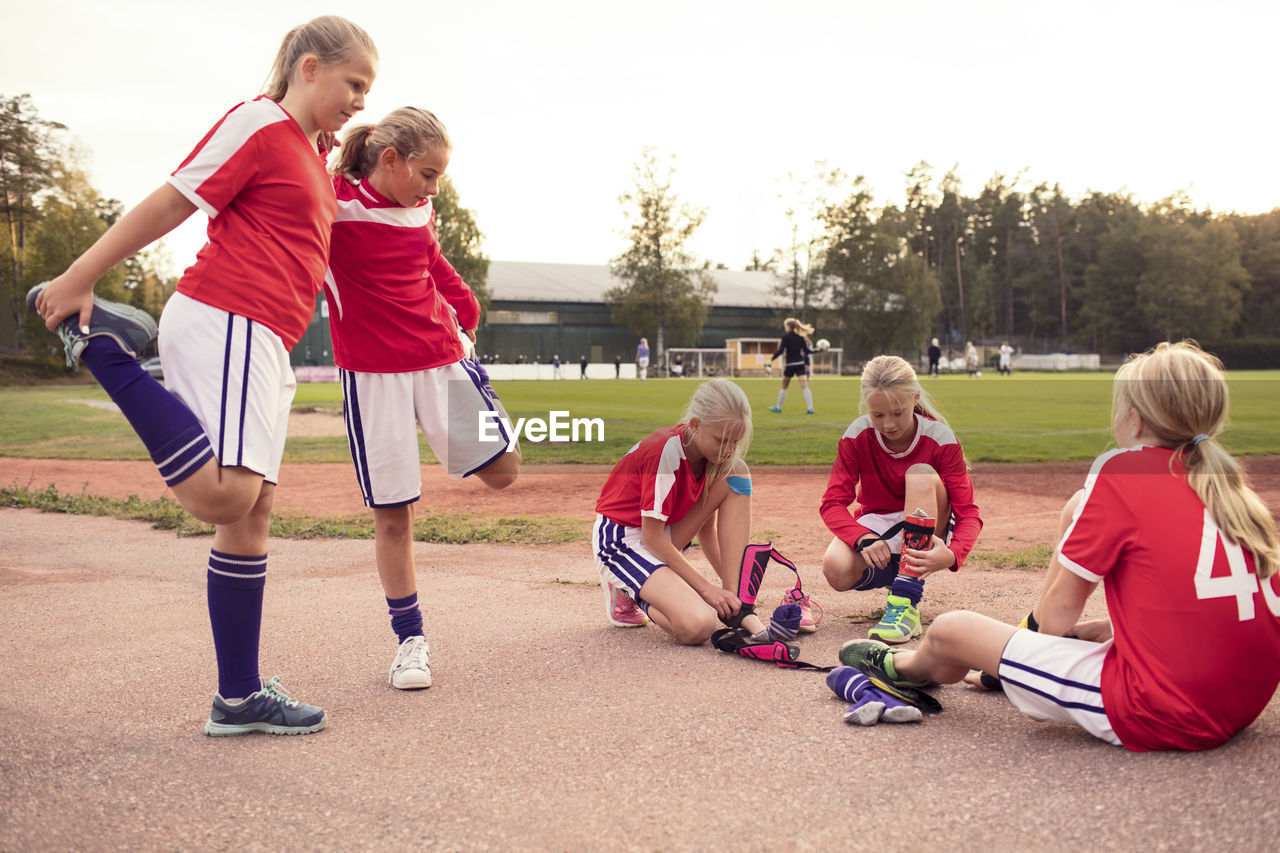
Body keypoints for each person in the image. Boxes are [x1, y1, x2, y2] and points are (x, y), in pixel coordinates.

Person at [27, 16, 378, 735]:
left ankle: (239, 697)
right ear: (309, 67)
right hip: (229, 314)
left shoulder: (309, 149)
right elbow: (171, 200)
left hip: (264, 338)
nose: (360, 101)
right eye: (354, 85)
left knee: (252, 517)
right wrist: (78, 276)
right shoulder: (258, 121)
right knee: (224, 496)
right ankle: (101, 347)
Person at [841, 341, 1280, 751]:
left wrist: (1023, 647)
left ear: (1137, 419)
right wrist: (1090, 634)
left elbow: (1053, 620)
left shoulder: (1123, 470)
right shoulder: (1235, 490)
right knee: (1076, 517)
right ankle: (1025, 654)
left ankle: (905, 668)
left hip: (1167, 709)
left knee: (952, 630)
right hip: (1244, 697)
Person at [325, 107, 521, 691]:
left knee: (506, 470)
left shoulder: (420, 210)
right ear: (390, 160)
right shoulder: (331, 204)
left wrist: (467, 311)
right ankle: (411, 640)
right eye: (428, 174)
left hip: (440, 361)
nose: (435, 188)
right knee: (394, 516)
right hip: (370, 375)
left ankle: (458, 415)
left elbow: (431, 262)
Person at [593, 379, 817, 642]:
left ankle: (739, 606)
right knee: (697, 627)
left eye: (736, 441)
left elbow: (707, 530)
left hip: (663, 537)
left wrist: (732, 596)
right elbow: (651, 537)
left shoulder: (711, 458)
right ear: (696, 424)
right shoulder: (666, 453)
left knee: (737, 471)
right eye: (722, 441)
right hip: (624, 540)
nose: (729, 450)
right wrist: (707, 590)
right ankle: (630, 591)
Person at [820, 355, 982, 643]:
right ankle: (897, 578)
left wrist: (954, 553)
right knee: (835, 569)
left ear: (915, 399)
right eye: (878, 415)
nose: (889, 424)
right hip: (879, 527)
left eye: (898, 413)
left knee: (919, 474)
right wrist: (862, 538)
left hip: (929, 519)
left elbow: (968, 513)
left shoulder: (940, 437)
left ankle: (905, 600)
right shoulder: (857, 435)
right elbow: (832, 503)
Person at [768, 317, 816, 414]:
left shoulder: (786, 337)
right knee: (804, 386)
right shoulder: (800, 337)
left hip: (790, 365)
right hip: (800, 364)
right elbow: (807, 351)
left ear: (788, 326)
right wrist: (819, 350)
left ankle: (778, 407)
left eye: (786, 325)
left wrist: (771, 359)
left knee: (784, 386)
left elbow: (781, 351)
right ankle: (810, 408)